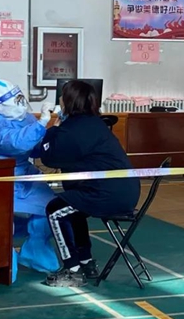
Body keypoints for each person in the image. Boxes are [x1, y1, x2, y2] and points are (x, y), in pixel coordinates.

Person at [38, 80, 140, 288]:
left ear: (68, 101)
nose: (60, 100)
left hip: (108, 194)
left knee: (55, 210)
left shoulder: (73, 129)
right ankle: (86, 262)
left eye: (62, 96)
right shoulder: (95, 124)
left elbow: (49, 157)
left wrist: (53, 128)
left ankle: (72, 270)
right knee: (73, 207)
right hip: (125, 191)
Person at [0, 80, 60, 273]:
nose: (20, 104)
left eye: (20, 99)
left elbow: (34, 147)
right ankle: (2, 259)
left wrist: (55, 129)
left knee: (50, 207)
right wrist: (42, 122)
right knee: (2, 219)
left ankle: (35, 251)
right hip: (1, 176)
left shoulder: (26, 118)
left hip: (25, 174)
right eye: (15, 101)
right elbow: (16, 143)